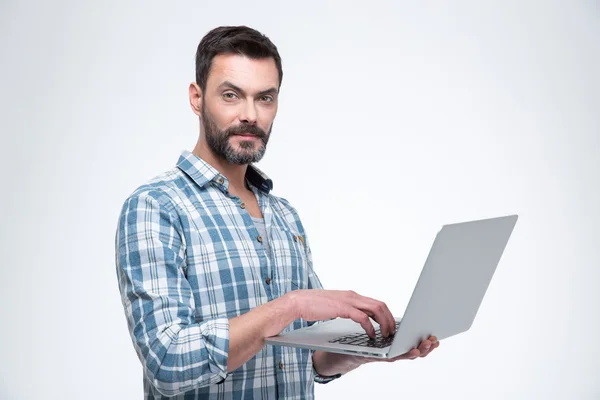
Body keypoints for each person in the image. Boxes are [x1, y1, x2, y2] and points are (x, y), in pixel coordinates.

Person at [115, 25, 439, 399]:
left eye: (265, 98)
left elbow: (311, 358)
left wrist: (374, 350)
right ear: (197, 98)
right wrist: (293, 304)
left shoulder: (284, 215)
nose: (250, 115)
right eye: (231, 95)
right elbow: (167, 363)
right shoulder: (156, 207)